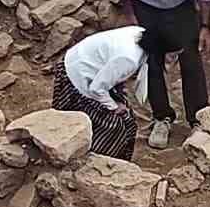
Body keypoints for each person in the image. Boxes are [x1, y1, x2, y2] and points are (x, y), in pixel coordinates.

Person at [113, 0, 210, 148]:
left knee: (191, 58)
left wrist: (205, 25)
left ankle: (198, 119)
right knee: (151, 62)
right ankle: (162, 117)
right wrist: (130, 15)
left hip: (181, 5)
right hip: (146, 5)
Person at [55, 25, 170, 160]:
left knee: (125, 115)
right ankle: (99, 158)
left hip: (82, 65)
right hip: (77, 78)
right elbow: (96, 89)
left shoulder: (139, 33)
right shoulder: (129, 59)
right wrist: (114, 107)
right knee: (118, 125)